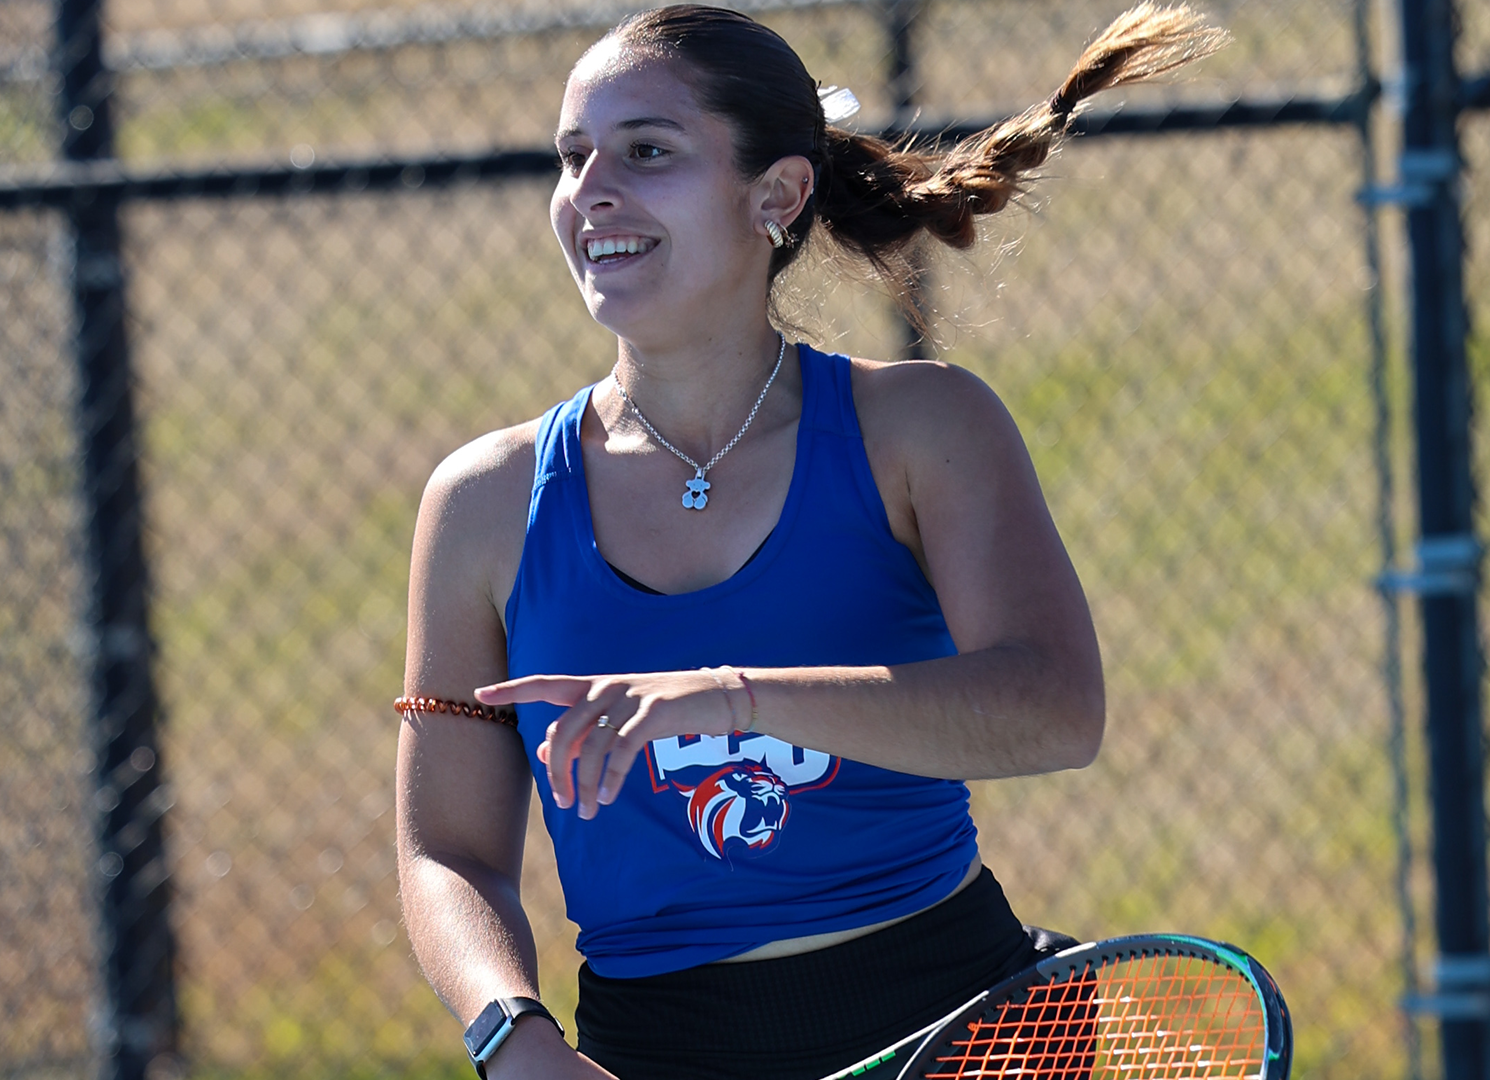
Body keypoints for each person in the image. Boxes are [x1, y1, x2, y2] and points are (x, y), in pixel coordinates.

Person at [394, 5, 1225, 1078]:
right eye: (572, 156)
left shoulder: (924, 428)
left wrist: (734, 694)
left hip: (962, 1029)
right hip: (658, 1050)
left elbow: (1056, 711)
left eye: (647, 151)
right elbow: (445, 853)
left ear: (776, 195)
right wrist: (511, 1033)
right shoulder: (484, 500)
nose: (590, 191)